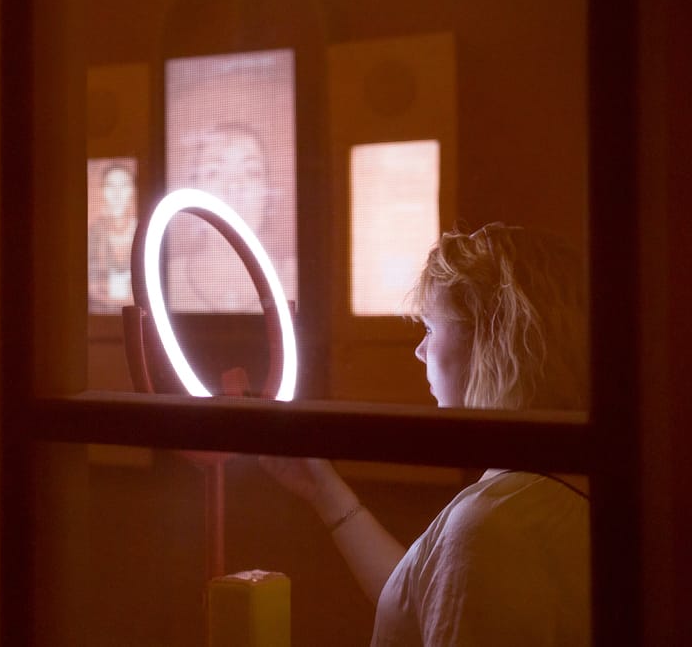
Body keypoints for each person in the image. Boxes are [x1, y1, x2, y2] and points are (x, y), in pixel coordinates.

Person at [261, 223, 590, 646]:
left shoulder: (493, 526)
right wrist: (326, 493)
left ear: (489, 342)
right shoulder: (541, 485)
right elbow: (424, 597)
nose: (419, 351)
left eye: (431, 329)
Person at [167, 122, 296, 312]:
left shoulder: (296, 278)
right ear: (194, 189)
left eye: (252, 172)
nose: (234, 187)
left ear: (268, 193)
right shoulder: (166, 278)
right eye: (214, 173)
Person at [88, 162, 138, 313]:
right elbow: (89, 286)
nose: (117, 193)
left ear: (133, 190)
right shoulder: (93, 233)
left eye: (124, 185)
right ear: (102, 191)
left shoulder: (142, 230)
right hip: (100, 314)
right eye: (110, 186)